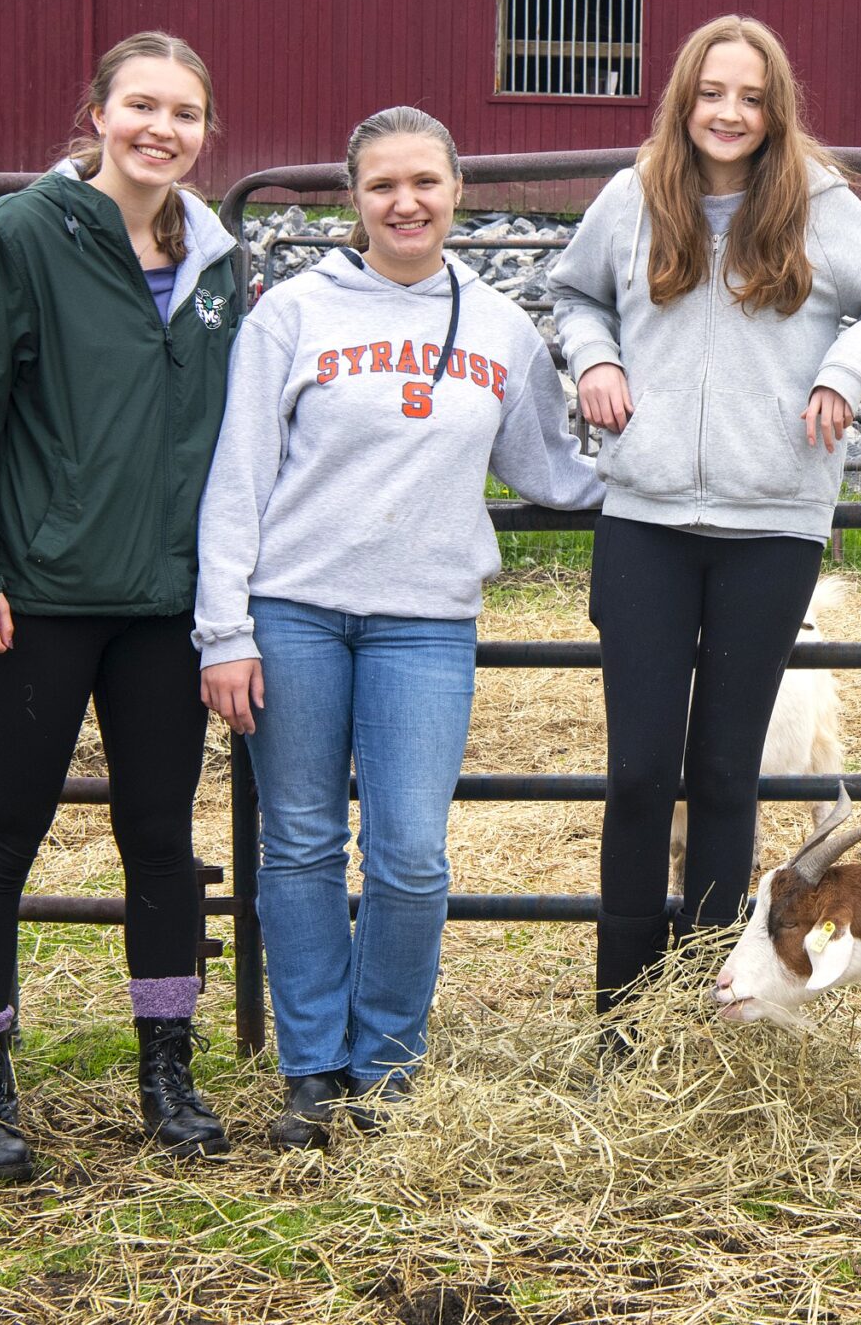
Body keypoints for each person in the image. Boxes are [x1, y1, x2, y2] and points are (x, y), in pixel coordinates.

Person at [195, 107, 604, 1149]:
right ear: (353, 196)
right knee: (297, 840)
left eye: (424, 181)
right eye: (382, 185)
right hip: (293, 610)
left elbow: (549, 469)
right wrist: (223, 628)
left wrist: (666, 463)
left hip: (424, 622)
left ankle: (387, 1063)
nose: (405, 203)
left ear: (456, 188)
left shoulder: (501, 326)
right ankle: (312, 1068)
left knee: (412, 852)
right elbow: (237, 476)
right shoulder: (290, 314)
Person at [543, 15, 861, 1033]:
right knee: (639, 773)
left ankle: (703, 1000)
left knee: (725, 772)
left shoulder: (816, 203)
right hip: (646, 519)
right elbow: (574, 295)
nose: (729, 113)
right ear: (684, 99)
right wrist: (595, 359)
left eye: (751, 98)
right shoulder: (635, 197)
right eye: (712, 93)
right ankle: (622, 1008)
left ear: (775, 110)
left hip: (772, 525)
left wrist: (844, 373)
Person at [0, 32, 242, 1182]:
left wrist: (226, 594)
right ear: (98, 111)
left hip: (163, 604)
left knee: (160, 840)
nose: (163, 129)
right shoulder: (19, 236)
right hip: (38, 599)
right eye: (141, 105)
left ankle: (167, 1071)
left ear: (206, 132)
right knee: (2, 836)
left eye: (185, 113)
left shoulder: (217, 262)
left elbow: (231, 442)